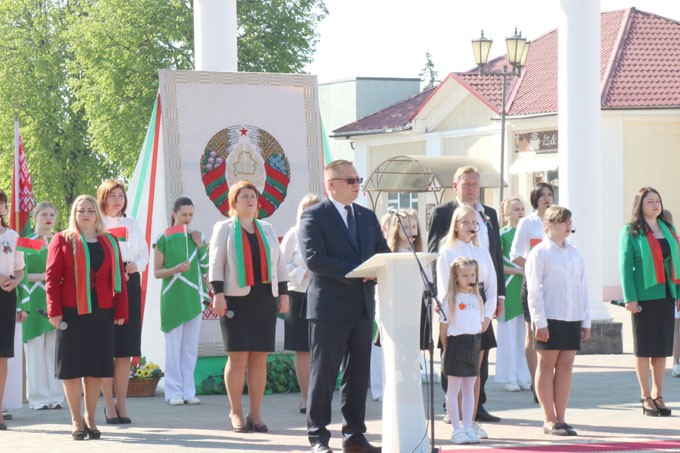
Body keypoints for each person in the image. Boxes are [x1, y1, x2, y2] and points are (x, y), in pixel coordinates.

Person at [299, 159, 390, 453]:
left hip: (362, 308)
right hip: (329, 309)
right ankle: (318, 438)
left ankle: (354, 436)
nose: (356, 185)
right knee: (324, 373)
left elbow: (383, 253)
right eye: (349, 180)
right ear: (331, 184)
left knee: (358, 374)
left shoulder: (366, 216)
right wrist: (360, 270)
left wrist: (381, 268)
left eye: (357, 179)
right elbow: (315, 259)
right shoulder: (314, 216)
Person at [46, 195, 128, 440]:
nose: (86, 214)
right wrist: (54, 312)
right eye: (81, 210)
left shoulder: (109, 241)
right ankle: (75, 419)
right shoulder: (62, 239)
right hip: (72, 312)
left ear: (97, 214)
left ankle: (91, 417)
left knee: (95, 368)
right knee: (72, 369)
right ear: (74, 214)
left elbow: (120, 279)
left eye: (90, 210)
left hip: (102, 312)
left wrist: (121, 310)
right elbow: (51, 279)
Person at [210, 181, 290, 433]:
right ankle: (235, 412)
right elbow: (215, 262)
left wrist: (284, 294)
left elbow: (280, 264)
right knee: (237, 357)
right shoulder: (224, 228)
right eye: (244, 196)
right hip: (235, 299)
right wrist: (218, 293)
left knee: (259, 358)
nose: (250, 200)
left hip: (264, 298)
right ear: (233, 203)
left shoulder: (266, 228)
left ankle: (255, 414)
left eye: (253, 196)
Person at [427, 166, 504, 424]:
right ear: (455, 185)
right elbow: (434, 254)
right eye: (467, 183)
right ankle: (452, 408)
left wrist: (499, 297)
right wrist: (442, 299)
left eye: (475, 183)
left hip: (481, 294)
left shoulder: (489, 215)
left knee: (479, 350)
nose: (472, 188)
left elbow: (495, 257)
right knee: (454, 353)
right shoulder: (443, 213)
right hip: (454, 294)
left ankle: (476, 407)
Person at [527, 205, 590, 436]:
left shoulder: (574, 252)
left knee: (566, 366)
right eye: (563, 222)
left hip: (572, 317)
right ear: (549, 225)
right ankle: (549, 419)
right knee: (546, 365)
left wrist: (586, 320)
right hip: (550, 317)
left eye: (569, 222)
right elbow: (534, 291)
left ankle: (562, 418)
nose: (568, 226)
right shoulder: (540, 253)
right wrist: (539, 321)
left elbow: (583, 287)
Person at [436, 205, 497, 440]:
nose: (472, 226)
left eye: (475, 222)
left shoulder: (481, 252)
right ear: (456, 225)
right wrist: (446, 322)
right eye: (466, 222)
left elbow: (491, 286)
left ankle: (470, 423)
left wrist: (486, 316)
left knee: (474, 374)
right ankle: (457, 424)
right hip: (456, 320)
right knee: (456, 378)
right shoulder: (447, 251)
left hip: (478, 317)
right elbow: (443, 288)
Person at [618, 187, 680, 417]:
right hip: (644, 297)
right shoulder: (630, 231)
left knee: (661, 348)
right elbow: (625, 268)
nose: (655, 205)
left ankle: (659, 394)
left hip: (666, 294)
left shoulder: (669, 228)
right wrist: (630, 298)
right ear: (640, 206)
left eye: (658, 201)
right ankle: (645, 396)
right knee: (644, 348)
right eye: (650, 201)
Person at [97, 179, 149, 425]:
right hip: (105, 287)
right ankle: (107, 404)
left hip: (129, 283)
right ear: (103, 199)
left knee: (125, 349)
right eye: (112, 196)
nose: (117, 200)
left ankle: (122, 403)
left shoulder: (132, 223)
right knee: (106, 347)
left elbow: (144, 253)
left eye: (120, 195)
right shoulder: (96, 224)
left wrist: (135, 264)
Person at [153, 197, 208, 407]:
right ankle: (173, 392)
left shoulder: (198, 236)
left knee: (190, 349)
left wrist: (200, 246)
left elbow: (205, 268)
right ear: (174, 213)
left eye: (191, 215)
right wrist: (176, 270)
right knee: (173, 348)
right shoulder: (163, 239)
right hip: (172, 297)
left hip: (193, 297)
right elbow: (157, 273)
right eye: (184, 214)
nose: (187, 219)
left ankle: (188, 391)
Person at [509, 182, 555, 402]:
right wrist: (533, 267)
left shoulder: (557, 220)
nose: (547, 198)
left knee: (553, 332)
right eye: (543, 195)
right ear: (535, 198)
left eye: (550, 194)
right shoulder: (528, 223)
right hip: (533, 283)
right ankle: (535, 382)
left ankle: (549, 380)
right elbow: (515, 253)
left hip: (554, 284)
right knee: (533, 331)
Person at [21, 201, 64, 410]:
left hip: (55, 299)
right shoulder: (26, 242)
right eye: (44, 214)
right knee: (35, 349)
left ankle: (57, 396)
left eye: (52, 214)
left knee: (54, 350)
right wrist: (45, 278)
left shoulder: (61, 241)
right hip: (32, 298)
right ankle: (38, 398)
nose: (48, 218)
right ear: (35, 217)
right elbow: (19, 273)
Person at [281, 193, 321, 415]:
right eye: (309, 209)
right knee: (303, 348)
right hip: (298, 294)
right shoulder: (293, 235)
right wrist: (304, 273)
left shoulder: (328, 233)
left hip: (324, 294)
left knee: (322, 348)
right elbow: (281, 266)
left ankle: (319, 396)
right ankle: (305, 397)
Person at [440, 257, 486, 445]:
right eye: (465, 275)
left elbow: (480, 323)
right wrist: (447, 347)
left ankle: (468, 427)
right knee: (454, 389)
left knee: (469, 389)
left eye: (472, 274)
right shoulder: (451, 299)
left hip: (474, 343)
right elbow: (443, 329)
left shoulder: (477, 298)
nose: (469, 278)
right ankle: (456, 430)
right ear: (456, 277)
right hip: (456, 344)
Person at [495, 197, 531, 392]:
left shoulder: (527, 234)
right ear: (506, 212)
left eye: (522, 208)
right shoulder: (502, 234)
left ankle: (523, 375)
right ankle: (508, 377)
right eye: (516, 209)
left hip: (525, 287)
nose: (520, 212)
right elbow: (497, 263)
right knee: (508, 335)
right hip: (509, 287)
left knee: (523, 334)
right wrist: (518, 271)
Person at [0, 190, 26, 430]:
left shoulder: (12, 236)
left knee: (2, 353)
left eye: (2, 204)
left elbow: (19, 269)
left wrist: (14, 281)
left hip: (5, 296)